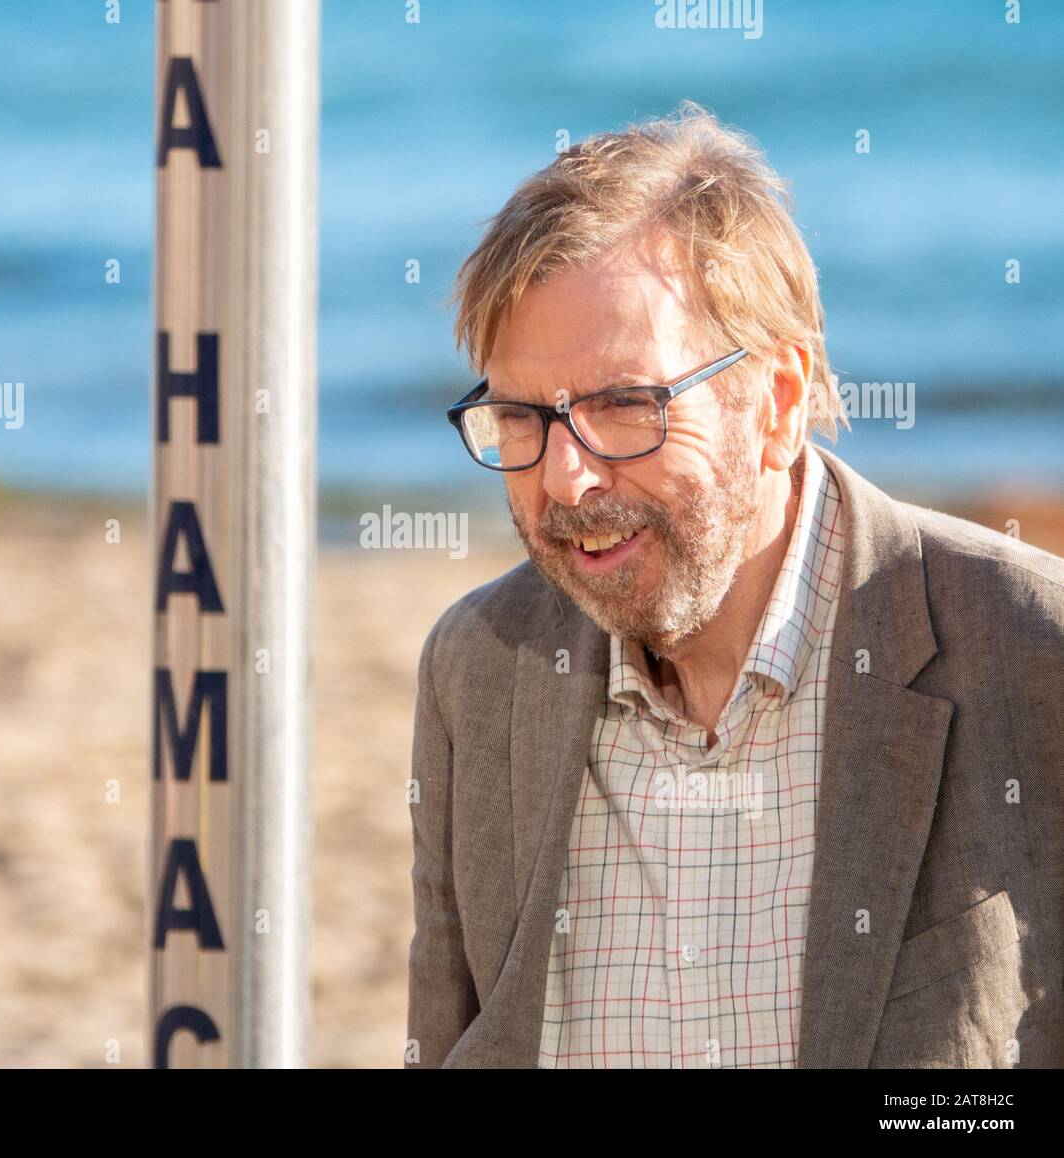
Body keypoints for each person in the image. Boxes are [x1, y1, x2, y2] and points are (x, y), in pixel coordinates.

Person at [404, 101, 1064, 1069]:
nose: (564, 479)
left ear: (780, 400)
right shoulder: (480, 664)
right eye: (518, 416)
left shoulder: (1027, 647)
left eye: (624, 405)